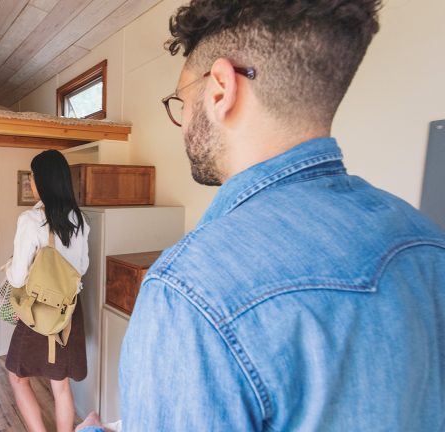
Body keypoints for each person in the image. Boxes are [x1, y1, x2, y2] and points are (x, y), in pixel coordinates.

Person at [78, 0, 445, 431]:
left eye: (182, 100)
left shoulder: (190, 288)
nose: (183, 121)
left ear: (220, 89)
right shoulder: (428, 242)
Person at [5, 149, 90, 432]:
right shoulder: (80, 219)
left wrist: (9, 266)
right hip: (68, 311)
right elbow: (82, 268)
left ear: (42, 181)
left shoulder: (31, 220)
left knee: (17, 375)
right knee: (60, 383)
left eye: (32, 177)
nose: (31, 182)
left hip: (38, 310)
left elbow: (18, 277)